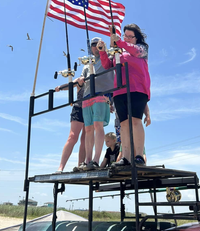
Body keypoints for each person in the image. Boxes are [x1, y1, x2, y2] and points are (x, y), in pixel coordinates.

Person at [98, 23, 151, 166]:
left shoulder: (142, 49)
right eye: (125, 35)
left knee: (135, 121)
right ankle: (126, 157)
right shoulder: (119, 51)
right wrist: (103, 52)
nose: (127, 38)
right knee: (124, 125)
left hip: (137, 89)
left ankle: (139, 156)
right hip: (119, 91)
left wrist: (119, 41)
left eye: (130, 36)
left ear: (136, 37)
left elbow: (134, 50)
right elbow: (108, 65)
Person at [76, 37, 114, 170]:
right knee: (88, 129)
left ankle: (96, 160)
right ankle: (87, 161)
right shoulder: (87, 64)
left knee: (98, 125)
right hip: (87, 96)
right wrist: (79, 80)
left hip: (102, 94)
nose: (95, 47)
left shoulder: (108, 55)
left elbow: (112, 60)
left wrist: (104, 48)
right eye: (93, 44)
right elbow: (81, 79)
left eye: (97, 44)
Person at [55, 79, 86, 173]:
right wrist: (60, 88)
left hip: (91, 107)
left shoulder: (96, 76)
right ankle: (61, 167)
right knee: (72, 137)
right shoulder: (83, 76)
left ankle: (81, 165)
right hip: (79, 108)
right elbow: (72, 84)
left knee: (85, 139)